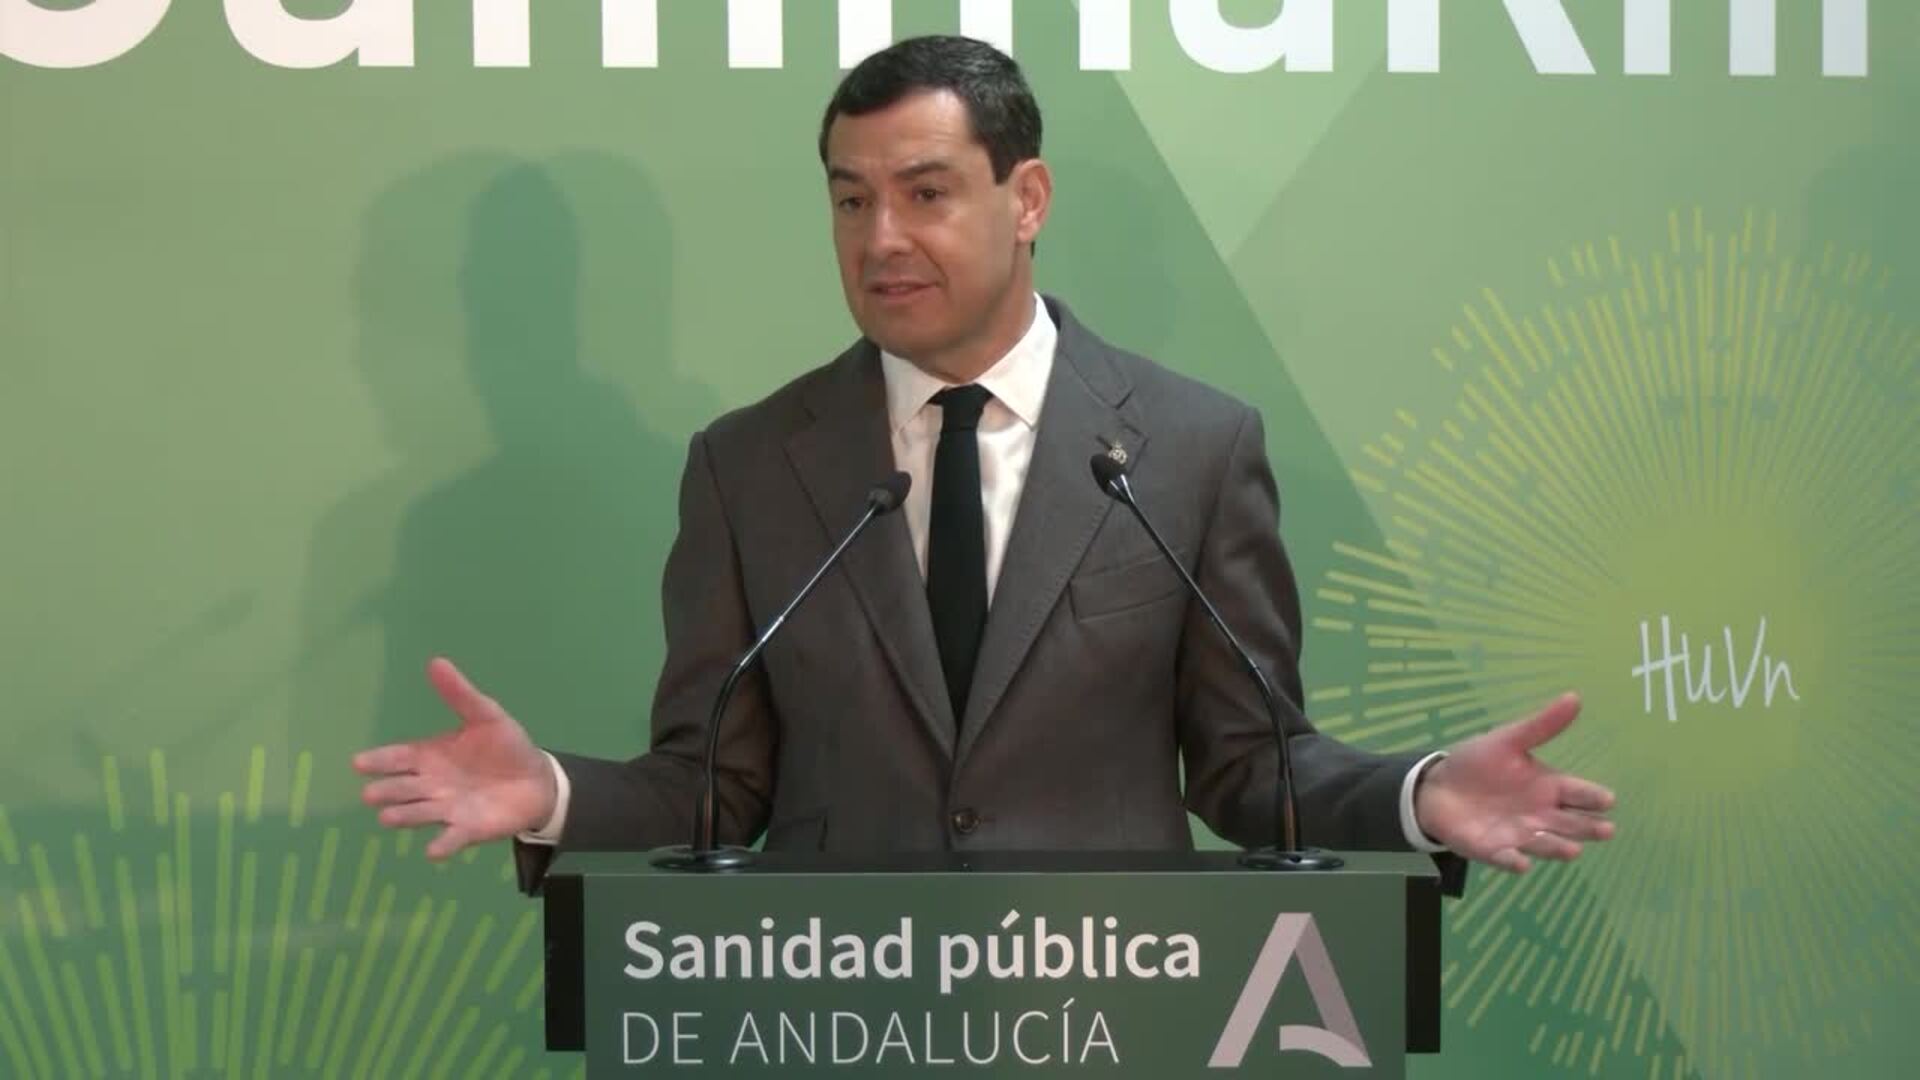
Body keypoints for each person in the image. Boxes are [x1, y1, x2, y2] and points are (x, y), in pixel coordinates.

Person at [352, 35, 1615, 892]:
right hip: (835, 1022)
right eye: (851, 200)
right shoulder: (750, 467)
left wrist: (1418, 794)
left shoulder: (1191, 448)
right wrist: (552, 792)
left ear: (1028, 199)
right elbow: (716, 788)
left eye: (926, 193)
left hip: (1119, 1015)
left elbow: (1252, 769)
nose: (881, 240)